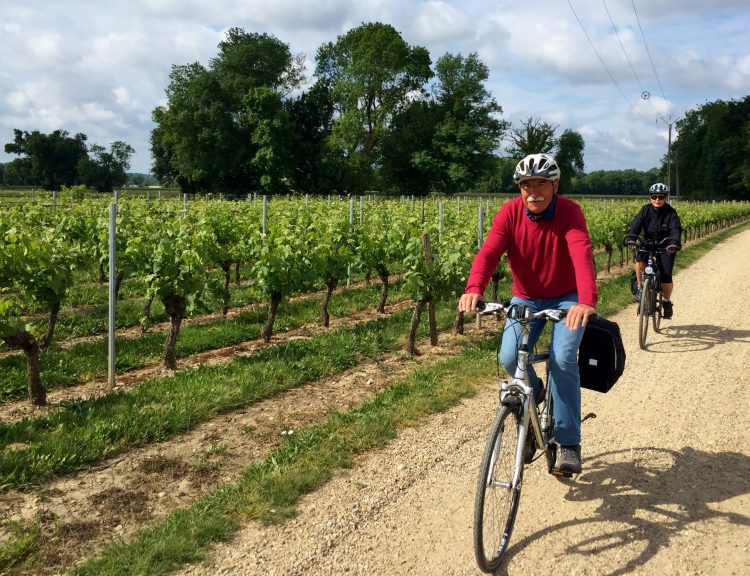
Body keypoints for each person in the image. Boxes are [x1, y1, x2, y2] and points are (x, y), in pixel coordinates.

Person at [458, 153, 598, 475]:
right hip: (525, 297)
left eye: (540, 184)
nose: (533, 192)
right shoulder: (509, 213)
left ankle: (568, 442)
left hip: (567, 298)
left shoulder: (570, 212)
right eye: (526, 185)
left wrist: (586, 300)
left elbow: (581, 252)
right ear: (520, 188)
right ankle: (531, 403)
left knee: (562, 359)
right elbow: (489, 251)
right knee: (509, 357)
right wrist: (474, 286)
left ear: (555, 185)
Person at [625, 183, 682, 319]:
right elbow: (635, 226)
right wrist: (632, 238)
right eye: (654, 196)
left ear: (665, 198)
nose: (657, 199)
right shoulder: (645, 211)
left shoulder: (671, 213)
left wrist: (673, 243)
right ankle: (640, 289)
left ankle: (666, 301)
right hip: (648, 243)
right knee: (639, 260)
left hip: (666, 246)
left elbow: (675, 230)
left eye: (661, 197)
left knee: (666, 275)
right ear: (650, 197)